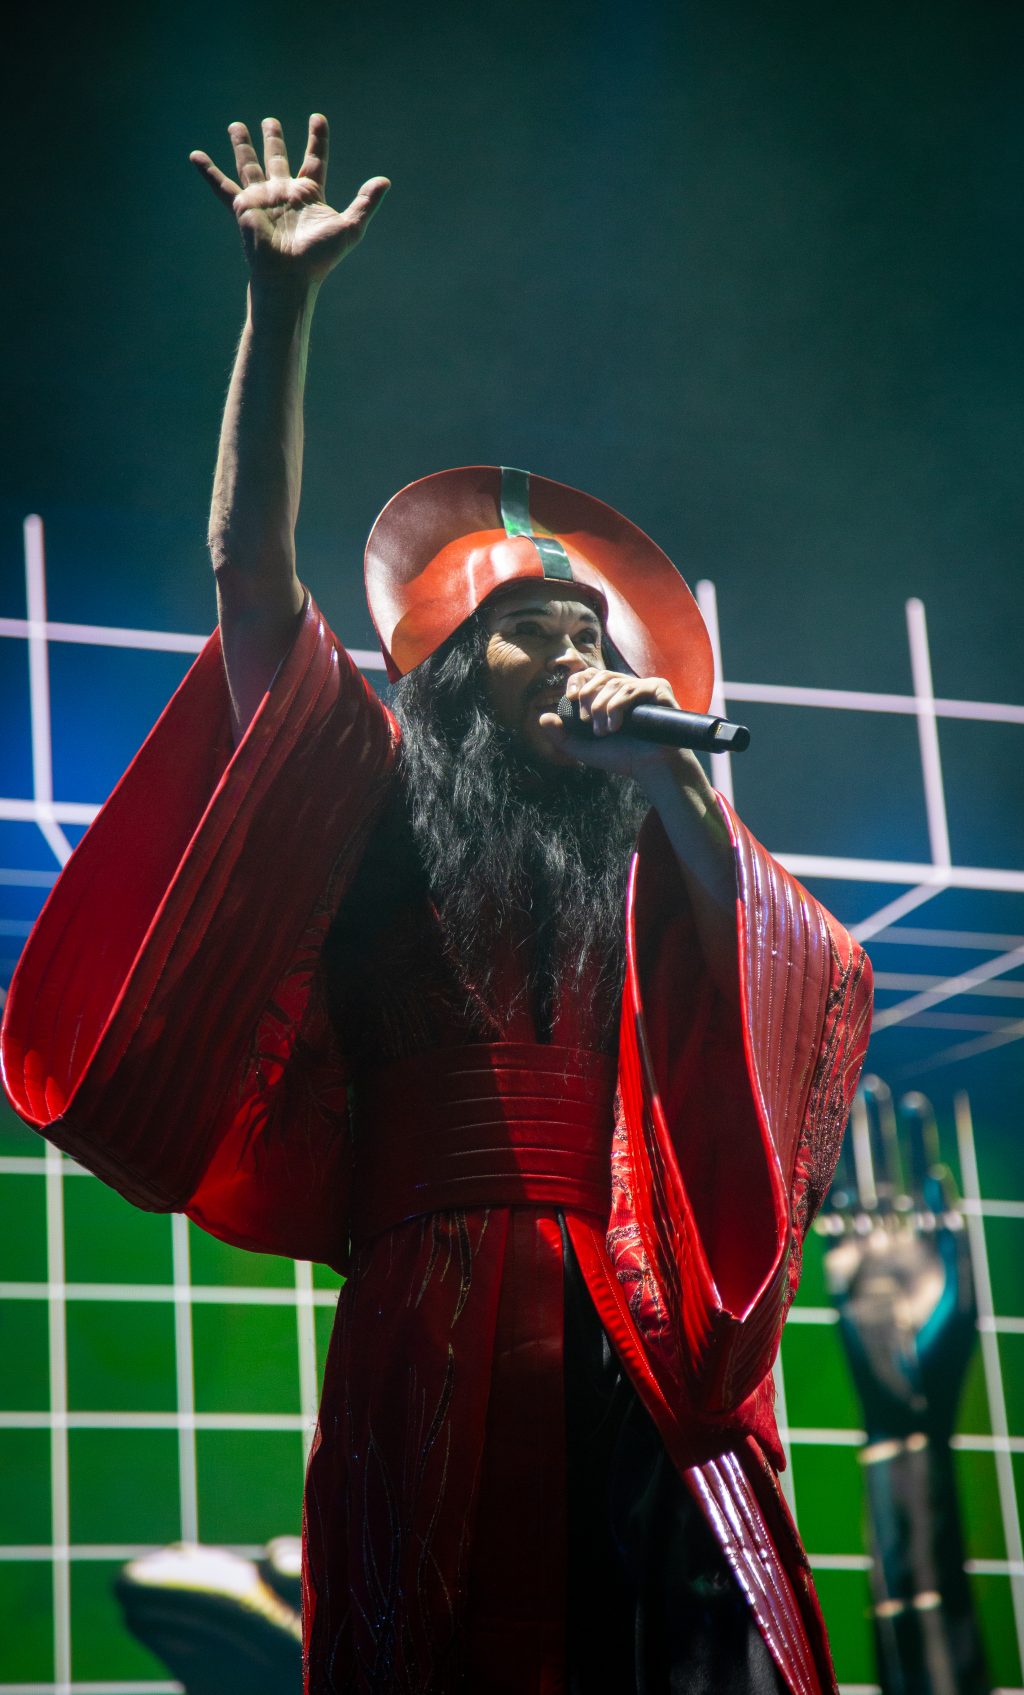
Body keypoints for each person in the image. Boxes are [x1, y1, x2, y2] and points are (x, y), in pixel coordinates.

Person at [0, 115, 873, 1695]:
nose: (572, 655)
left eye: (585, 628)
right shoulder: (375, 785)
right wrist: (280, 315)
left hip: (641, 1316)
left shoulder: (646, 836)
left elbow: (791, 972)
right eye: (528, 631)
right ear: (456, 672)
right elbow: (247, 579)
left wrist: (679, 792)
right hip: (436, 1301)